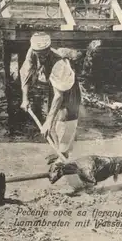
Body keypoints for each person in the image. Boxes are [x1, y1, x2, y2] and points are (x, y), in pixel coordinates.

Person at [19, 33, 83, 189]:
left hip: (68, 90)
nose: (41, 57)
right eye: (38, 54)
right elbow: (26, 74)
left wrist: (47, 121)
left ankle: (67, 166)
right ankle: (60, 153)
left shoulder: (58, 64)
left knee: (64, 123)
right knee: (53, 127)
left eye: (44, 53)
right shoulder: (32, 52)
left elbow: (59, 96)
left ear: (48, 50)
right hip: (54, 87)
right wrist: (25, 99)